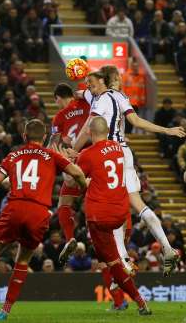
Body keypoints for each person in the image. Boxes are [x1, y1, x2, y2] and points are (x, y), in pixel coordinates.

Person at [73, 67, 186, 276]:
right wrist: (166, 130)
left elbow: (89, 122)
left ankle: (124, 260)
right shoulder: (119, 96)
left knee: (111, 205)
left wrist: (74, 147)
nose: (119, 81)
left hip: (107, 153)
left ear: (101, 81)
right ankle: (167, 247)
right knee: (136, 203)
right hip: (123, 152)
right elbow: (135, 121)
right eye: (116, 77)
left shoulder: (100, 100)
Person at [0, 119, 87, 320]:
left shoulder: (13, 155)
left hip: (15, 207)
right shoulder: (52, 155)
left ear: (24, 136)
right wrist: (83, 187)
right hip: (39, 212)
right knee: (23, 260)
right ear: (43, 138)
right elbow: (77, 172)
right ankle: (4, 311)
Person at [76, 116, 151, 315]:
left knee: (110, 263)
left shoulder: (87, 154)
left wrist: (70, 161)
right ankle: (122, 266)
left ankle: (138, 301)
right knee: (107, 259)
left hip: (100, 216)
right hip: (121, 213)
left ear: (90, 133)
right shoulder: (117, 148)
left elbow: (76, 180)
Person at [48, 83, 90, 261]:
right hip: (94, 156)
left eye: (56, 100)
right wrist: (84, 94)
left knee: (64, 203)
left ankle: (70, 237)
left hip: (74, 158)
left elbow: (54, 144)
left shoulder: (58, 117)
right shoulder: (87, 104)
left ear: (58, 97)